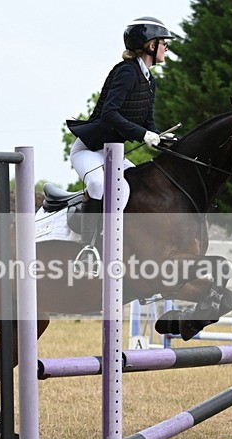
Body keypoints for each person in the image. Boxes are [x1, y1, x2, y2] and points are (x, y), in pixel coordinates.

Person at [66, 16, 175, 267]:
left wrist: (159, 136)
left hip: (112, 154)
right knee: (96, 184)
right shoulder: (126, 72)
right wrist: (142, 135)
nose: (166, 48)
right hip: (89, 150)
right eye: (163, 43)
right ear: (150, 45)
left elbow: (147, 121)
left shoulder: (150, 80)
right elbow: (109, 114)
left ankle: (119, 246)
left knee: (129, 189)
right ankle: (87, 248)